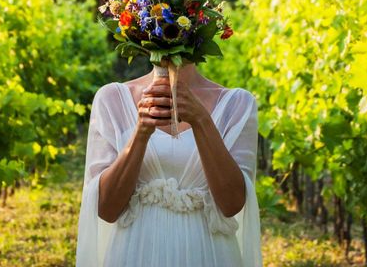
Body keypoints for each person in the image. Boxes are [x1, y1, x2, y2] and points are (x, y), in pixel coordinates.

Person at [75, 60, 262, 266]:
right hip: (135, 253)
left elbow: (232, 204)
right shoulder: (112, 99)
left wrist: (201, 120)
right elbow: (106, 209)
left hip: (209, 254)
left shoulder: (237, 103)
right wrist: (141, 133)